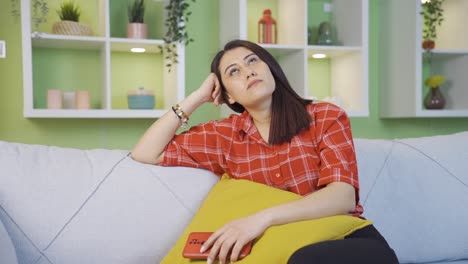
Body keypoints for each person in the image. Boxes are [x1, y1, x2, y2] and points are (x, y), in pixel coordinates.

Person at [132, 39, 398, 264]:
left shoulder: (325, 116)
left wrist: (259, 220)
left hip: (348, 239)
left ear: (270, 68)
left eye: (252, 61)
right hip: (279, 248)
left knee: (305, 259)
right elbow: (146, 152)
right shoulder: (225, 136)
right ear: (228, 97)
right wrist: (198, 97)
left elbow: (342, 197)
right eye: (233, 72)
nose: (247, 72)